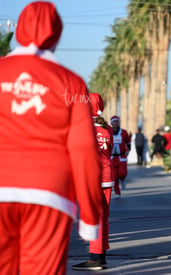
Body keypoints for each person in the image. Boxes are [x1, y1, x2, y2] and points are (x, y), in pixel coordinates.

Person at [0, 2, 102, 274]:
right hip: (50, 194)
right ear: (57, 35)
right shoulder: (72, 82)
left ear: (19, 30)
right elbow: (83, 151)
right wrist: (90, 217)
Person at [73, 93, 114, 271]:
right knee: (103, 216)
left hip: (92, 176)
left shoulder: (82, 128)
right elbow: (109, 149)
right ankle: (102, 254)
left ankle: (94, 258)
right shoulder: (108, 129)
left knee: (94, 216)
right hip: (107, 175)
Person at [111, 116, 131, 197]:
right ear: (111, 123)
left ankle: (123, 180)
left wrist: (128, 150)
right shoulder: (108, 132)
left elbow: (128, 142)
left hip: (122, 156)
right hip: (112, 157)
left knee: (122, 173)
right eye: (114, 122)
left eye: (117, 121)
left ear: (118, 122)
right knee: (114, 176)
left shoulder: (123, 132)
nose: (115, 123)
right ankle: (117, 192)